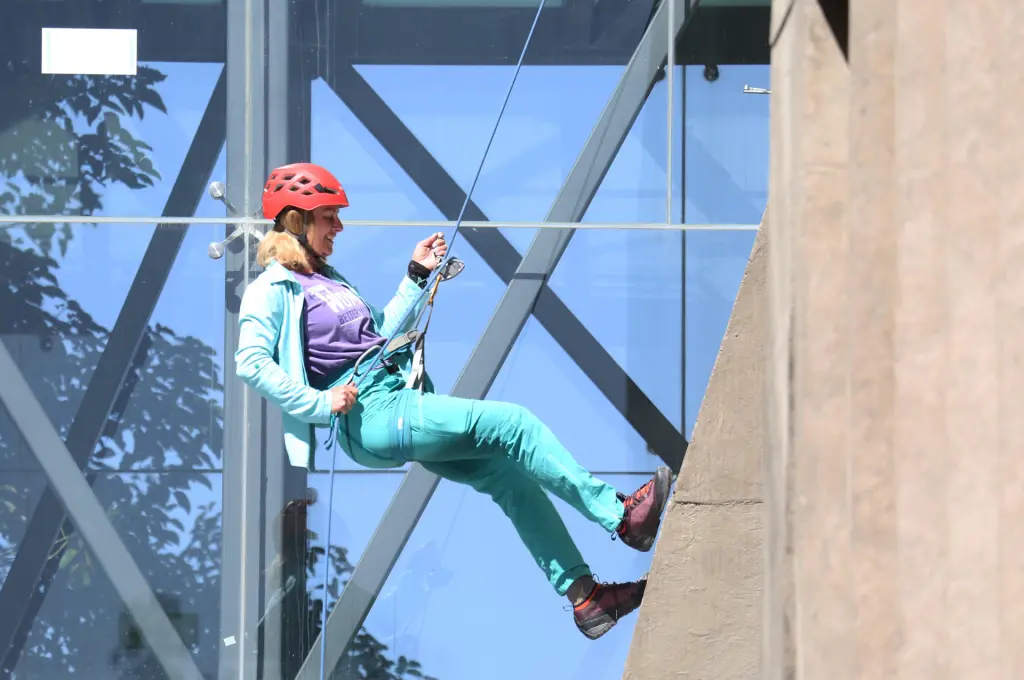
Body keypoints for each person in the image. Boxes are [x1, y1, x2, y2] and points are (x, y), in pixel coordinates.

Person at [235, 162, 673, 640]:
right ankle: (621, 516)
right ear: (297, 220)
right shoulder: (271, 288)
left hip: (391, 399)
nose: (339, 227)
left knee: (509, 478)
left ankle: (587, 598)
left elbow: (376, 337)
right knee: (514, 425)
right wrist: (319, 404)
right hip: (373, 411)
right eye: (328, 217)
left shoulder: (330, 281)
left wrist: (416, 276)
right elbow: (250, 363)